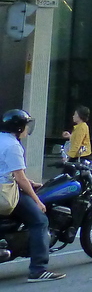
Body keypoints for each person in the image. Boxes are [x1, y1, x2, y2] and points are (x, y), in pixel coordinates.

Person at [0, 109, 64, 281]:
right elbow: (19, 178)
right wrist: (37, 201)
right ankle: (38, 270)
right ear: (19, 128)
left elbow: (9, 170)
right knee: (40, 220)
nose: (28, 129)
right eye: (26, 125)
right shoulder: (13, 146)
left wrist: (30, 182)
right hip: (4, 194)